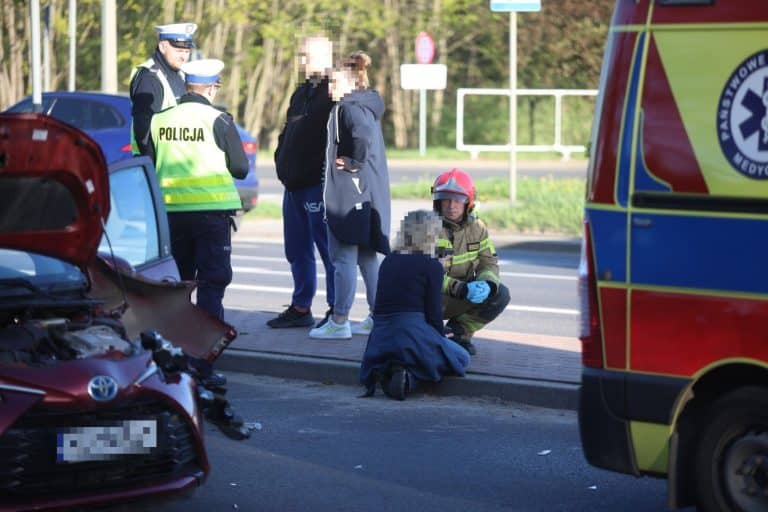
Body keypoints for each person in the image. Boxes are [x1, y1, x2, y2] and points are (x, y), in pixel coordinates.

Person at [147, 58, 248, 321]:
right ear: (213, 88)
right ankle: (205, 351)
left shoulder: (158, 120)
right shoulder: (219, 119)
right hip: (211, 215)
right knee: (211, 284)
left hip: (171, 215)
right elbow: (240, 168)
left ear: (186, 85)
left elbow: (148, 160)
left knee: (177, 285)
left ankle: (176, 347)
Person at [309, 52, 391, 339]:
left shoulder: (349, 107)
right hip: (367, 192)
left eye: (334, 82)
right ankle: (378, 316)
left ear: (352, 81)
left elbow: (363, 136)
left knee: (342, 256)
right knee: (367, 257)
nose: (330, 89)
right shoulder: (366, 103)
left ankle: (340, 320)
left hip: (349, 193)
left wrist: (352, 162)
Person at [360, 210, 470, 400]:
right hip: (411, 331)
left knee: (421, 350)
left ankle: (396, 371)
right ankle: (409, 377)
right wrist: (441, 336)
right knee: (461, 357)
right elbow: (433, 312)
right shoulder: (431, 266)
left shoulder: (388, 261)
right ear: (430, 235)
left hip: (382, 335)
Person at [268, 36, 336, 329]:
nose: (301, 61)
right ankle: (300, 307)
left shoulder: (335, 91)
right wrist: (281, 159)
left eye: (306, 55)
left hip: (316, 184)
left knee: (329, 251)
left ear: (325, 56)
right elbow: (288, 131)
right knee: (296, 250)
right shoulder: (301, 92)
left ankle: (337, 310)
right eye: (300, 55)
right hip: (293, 184)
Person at [432, 168, 511, 355]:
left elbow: (488, 262)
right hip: (428, 299)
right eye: (446, 199)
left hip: (460, 296)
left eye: (457, 199)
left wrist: (487, 284)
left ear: (468, 201)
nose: (451, 205)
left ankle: (458, 334)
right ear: (437, 201)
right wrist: (463, 289)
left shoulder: (478, 228)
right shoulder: (422, 228)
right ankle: (430, 336)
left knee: (500, 294)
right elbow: (424, 275)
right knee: (426, 343)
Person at [130, 22, 197, 156]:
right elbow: (144, 134)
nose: (184, 56)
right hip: (159, 167)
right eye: (178, 50)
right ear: (162, 47)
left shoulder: (180, 74)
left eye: (187, 51)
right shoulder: (149, 79)